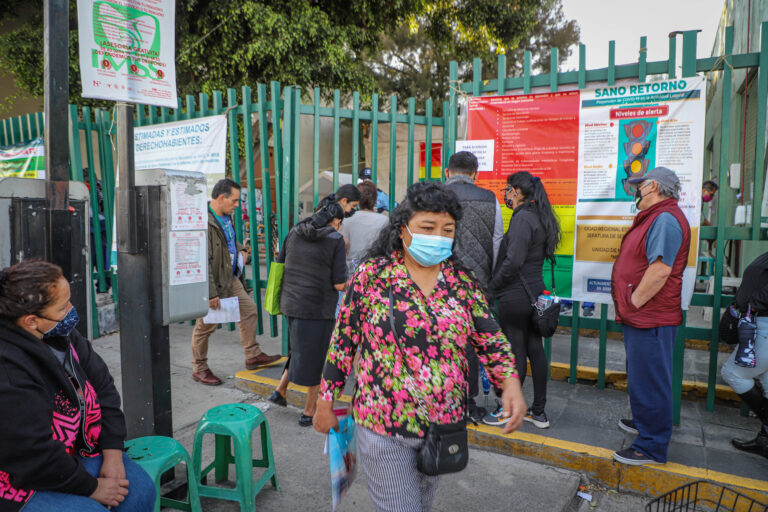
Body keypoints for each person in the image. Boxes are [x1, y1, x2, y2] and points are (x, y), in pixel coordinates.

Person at [313, 182, 526, 512]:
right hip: (384, 422)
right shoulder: (372, 276)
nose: (438, 237)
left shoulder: (461, 281)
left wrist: (509, 383)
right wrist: (327, 400)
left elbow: (490, 337)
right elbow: (344, 341)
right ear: (402, 229)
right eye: (428, 227)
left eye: (447, 230)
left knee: (422, 503)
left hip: (444, 427)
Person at [0, 260, 156, 511]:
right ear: (31, 321)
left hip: (76, 451)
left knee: (140, 492)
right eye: (63, 307)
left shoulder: (60, 334)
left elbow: (104, 388)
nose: (72, 311)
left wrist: (113, 452)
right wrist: (92, 488)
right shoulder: (8, 369)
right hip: (22, 476)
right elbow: (31, 454)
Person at [610, 166, 691, 466]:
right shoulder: (658, 216)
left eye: (638, 185)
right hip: (645, 315)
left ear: (653, 186)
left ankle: (652, 445)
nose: (635, 191)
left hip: (651, 316)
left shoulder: (666, 219)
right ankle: (647, 423)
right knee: (643, 377)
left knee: (651, 380)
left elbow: (660, 270)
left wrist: (633, 302)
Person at [486, 171, 561, 430]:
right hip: (534, 293)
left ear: (517, 192)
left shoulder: (522, 219)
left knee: (515, 352)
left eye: (507, 190)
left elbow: (513, 261)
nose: (505, 194)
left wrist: (491, 288)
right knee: (535, 350)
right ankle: (538, 411)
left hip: (515, 296)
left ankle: (509, 409)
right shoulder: (539, 215)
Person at [191, 178, 280, 386]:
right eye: (235, 200)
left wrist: (240, 248)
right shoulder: (202, 221)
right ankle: (199, 368)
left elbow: (228, 240)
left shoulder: (225, 216)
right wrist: (210, 292)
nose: (237, 205)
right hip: (214, 283)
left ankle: (252, 355)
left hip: (231, 277)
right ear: (221, 198)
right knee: (205, 326)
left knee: (249, 310)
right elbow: (200, 259)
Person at [267, 202, 347, 426]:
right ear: (336, 221)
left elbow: (280, 263)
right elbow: (340, 284)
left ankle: (280, 390)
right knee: (317, 359)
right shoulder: (335, 240)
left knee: (300, 348)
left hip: (291, 304)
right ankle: (309, 411)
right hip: (317, 309)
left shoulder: (294, 231)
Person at [444, 150, 503, 422]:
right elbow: (497, 241)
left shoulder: (434, 196)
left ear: (448, 173)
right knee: (469, 343)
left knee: (438, 341)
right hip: (477, 285)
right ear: (475, 175)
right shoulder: (490, 199)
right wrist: (487, 282)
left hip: (439, 283)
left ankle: (440, 398)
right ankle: (467, 402)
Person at [721, 251, 768, 458]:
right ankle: (765, 441)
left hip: (764, 324)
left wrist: (753, 303)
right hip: (762, 323)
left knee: (733, 373)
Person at [341, 180, 389, 273]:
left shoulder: (346, 220)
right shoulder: (385, 220)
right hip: (376, 272)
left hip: (351, 272)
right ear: (375, 199)